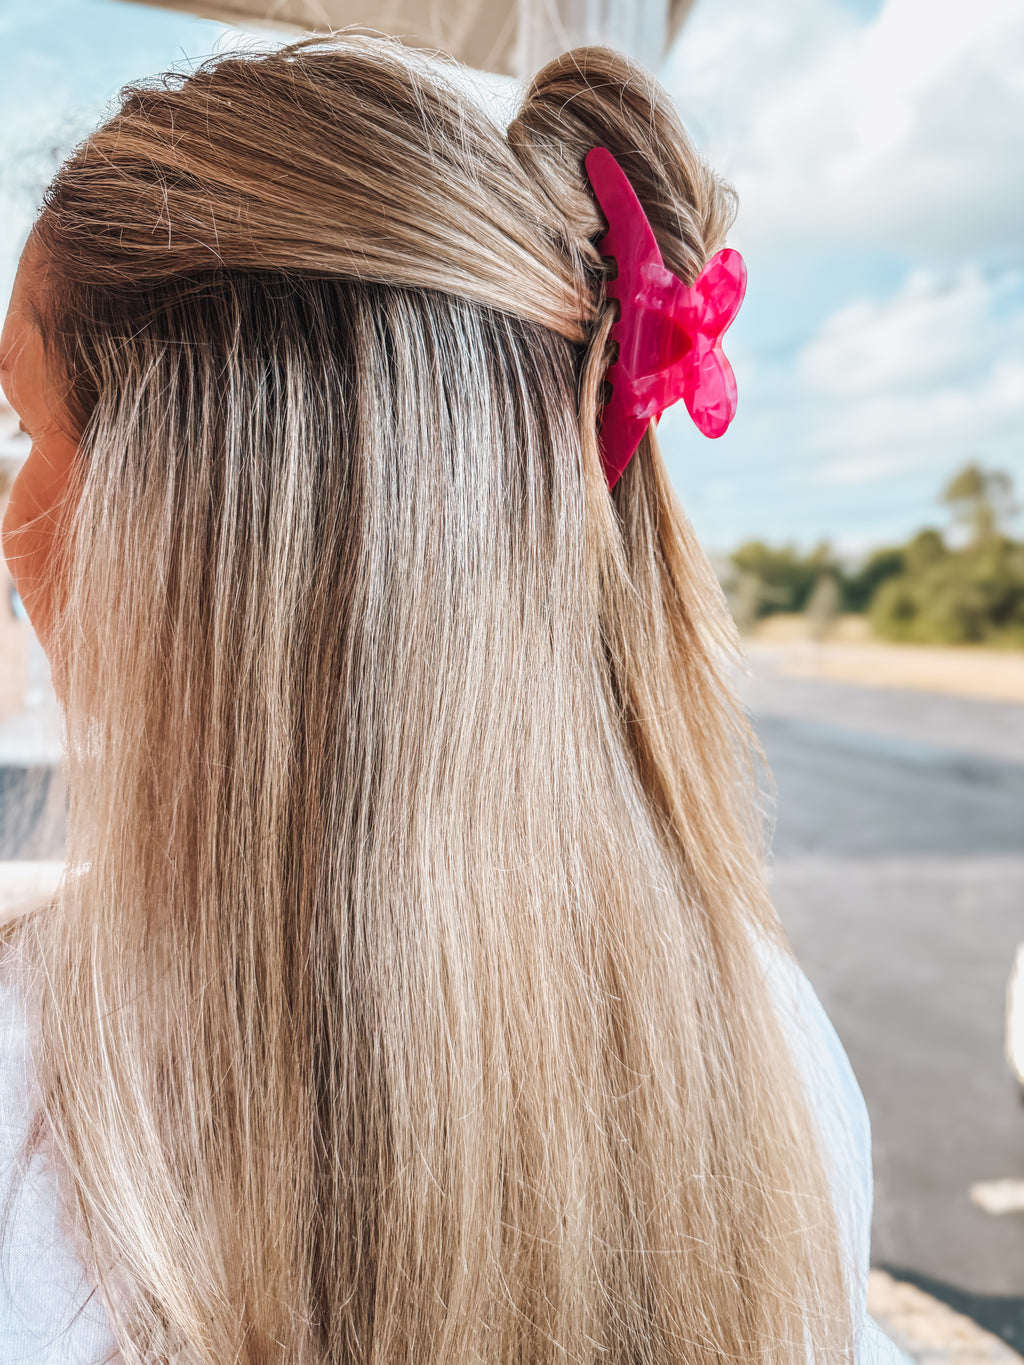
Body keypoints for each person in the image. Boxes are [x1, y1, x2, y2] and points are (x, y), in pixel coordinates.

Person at [0, 34, 907, 1364]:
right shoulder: (770, 1049)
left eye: (28, 428)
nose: (11, 512)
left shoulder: (36, 1111)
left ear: (187, 512)